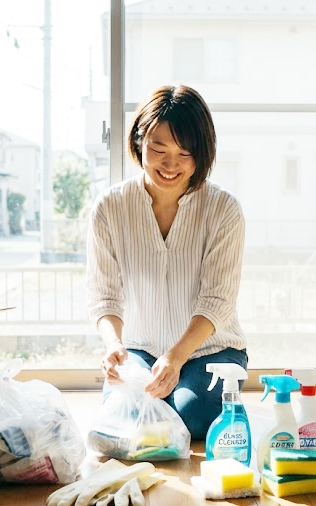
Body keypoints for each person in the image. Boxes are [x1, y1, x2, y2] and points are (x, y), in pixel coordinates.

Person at [86, 84, 247, 439]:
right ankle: (165, 402)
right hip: (140, 348)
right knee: (125, 418)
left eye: (184, 153)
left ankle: (202, 397)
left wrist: (176, 359)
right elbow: (104, 296)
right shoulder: (110, 207)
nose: (170, 164)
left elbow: (217, 302)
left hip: (211, 350)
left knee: (194, 416)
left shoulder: (223, 210)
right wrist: (115, 346)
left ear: (202, 154)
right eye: (158, 149)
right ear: (139, 142)